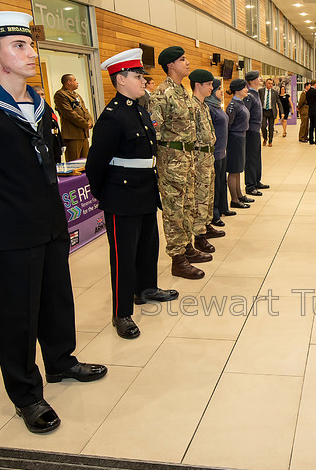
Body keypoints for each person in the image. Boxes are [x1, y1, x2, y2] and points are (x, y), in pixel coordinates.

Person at [0, 11, 106, 435]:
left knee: (56, 300)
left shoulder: (41, 106)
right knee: (16, 316)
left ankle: (61, 362)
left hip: (49, 225)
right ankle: (26, 394)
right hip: (7, 233)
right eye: (19, 46)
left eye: (30, 45)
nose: (31, 53)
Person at [86, 48, 179, 340]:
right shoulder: (112, 117)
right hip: (121, 195)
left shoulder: (138, 109)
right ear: (120, 79)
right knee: (123, 256)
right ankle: (121, 311)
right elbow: (95, 164)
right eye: (138, 76)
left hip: (144, 189)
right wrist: (107, 196)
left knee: (147, 246)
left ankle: (146, 288)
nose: (143, 81)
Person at [150, 45, 211, 281]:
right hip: (171, 161)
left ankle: (186, 247)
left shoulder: (183, 92)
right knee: (174, 210)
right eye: (182, 59)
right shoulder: (162, 94)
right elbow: (153, 132)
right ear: (170, 65)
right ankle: (177, 259)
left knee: (187, 206)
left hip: (187, 159)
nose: (187, 63)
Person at [189, 69, 225, 255]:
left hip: (208, 156)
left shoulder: (203, 105)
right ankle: (199, 235)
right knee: (199, 198)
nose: (212, 88)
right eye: (209, 84)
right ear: (198, 85)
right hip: (198, 157)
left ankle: (205, 225)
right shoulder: (192, 106)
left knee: (208, 195)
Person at [207, 79, 233, 226]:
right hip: (215, 152)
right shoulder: (209, 107)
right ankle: (214, 213)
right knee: (215, 184)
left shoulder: (217, 106)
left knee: (222, 181)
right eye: (218, 90)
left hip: (222, 150)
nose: (221, 92)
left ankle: (223, 207)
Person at [53, 73, 93, 161]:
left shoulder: (76, 95)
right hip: (72, 135)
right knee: (74, 163)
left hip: (83, 134)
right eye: (74, 80)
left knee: (86, 162)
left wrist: (90, 121)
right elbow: (69, 114)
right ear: (68, 82)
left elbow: (84, 110)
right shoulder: (60, 95)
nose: (77, 82)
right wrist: (85, 124)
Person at [226, 79, 252, 208]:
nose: (247, 90)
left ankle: (239, 195)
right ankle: (234, 200)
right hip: (234, 138)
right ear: (238, 90)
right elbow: (229, 125)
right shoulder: (233, 105)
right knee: (233, 169)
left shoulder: (240, 103)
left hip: (241, 137)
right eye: (244, 88)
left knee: (238, 169)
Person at [243, 71, 268, 196]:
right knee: (251, 158)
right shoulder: (249, 95)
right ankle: (250, 185)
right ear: (252, 80)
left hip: (255, 129)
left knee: (257, 157)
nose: (260, 79)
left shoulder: (255, 93)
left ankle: (256, 180)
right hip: (250, 130)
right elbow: (246, 113)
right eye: (258, 78)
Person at [33, 85, 63, 164]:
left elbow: (55, 125)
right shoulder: (34, 110)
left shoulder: (48, 108)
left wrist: (61, 143)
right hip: (44, 143)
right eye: (38, 94)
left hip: (54, 142)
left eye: (42, 94)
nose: (41, 97)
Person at [260, 78, 278, 147]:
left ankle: (270, 141)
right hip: (263, 111)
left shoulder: (275, 92)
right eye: (269, 83)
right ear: (266, 83)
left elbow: (278, 102)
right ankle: (265, 138)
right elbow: (258, 101)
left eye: (272, 84)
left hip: (271, 112)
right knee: (263, 126)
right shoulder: (261, 91)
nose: (271, 85)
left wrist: (282, 112)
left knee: (271, 127)